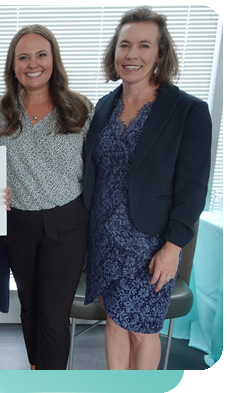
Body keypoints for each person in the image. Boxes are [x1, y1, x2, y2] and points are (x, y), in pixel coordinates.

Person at [83, 6, 211, 370]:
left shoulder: (188, 111)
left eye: (143, 45)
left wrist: (173, 248)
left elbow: (193, 187)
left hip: (150, 243)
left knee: (142, 329)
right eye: (124, 45)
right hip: (104, 236)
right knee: (113, 322)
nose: (132, 55)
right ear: (114, 52)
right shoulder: (104, 106)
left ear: (159, 53)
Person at [0, 25, 93, 370]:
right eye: (23, 57)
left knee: (53, 313)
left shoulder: (79, 107)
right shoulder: (1, 108)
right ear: (13, 65)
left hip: (66, 222)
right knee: (31, 307)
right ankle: (36, 371)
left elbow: (99, 167)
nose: (32, 63)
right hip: (17, 222)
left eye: (41, 55)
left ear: (53, 60)